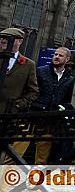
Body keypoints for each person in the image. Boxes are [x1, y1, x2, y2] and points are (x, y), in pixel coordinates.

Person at [28, 47, 75, 164]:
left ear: (67, 59)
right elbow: (31, 91)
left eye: (60, 55)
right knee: (17, 150)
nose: (56, 57)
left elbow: (66, 100)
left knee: (42, 158)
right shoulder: (40, 71)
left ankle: (35, 181)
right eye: (55, 54)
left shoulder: (70, 78)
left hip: (50, 121)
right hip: (32, 116)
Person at [0, 27, 39, 164]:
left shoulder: (28, 64)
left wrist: (18, 105)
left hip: (9, 116)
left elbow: (33, 91)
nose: (3, 41)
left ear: (19, 41)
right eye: (2, 37)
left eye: (7, 38)